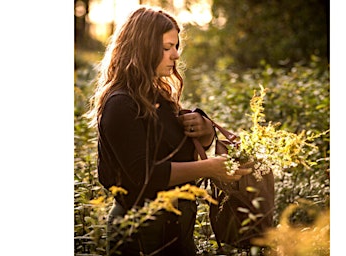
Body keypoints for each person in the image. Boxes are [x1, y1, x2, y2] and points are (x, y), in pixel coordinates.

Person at [85, 6, 252, 256]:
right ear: (141, 48)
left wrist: (204, 130)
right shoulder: (120, 103)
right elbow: (144, 175)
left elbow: (175, 149)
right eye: (166, 48)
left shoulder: (157, 95)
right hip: (140, 232)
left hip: (177, 228)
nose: (175, 55)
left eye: (176, 46)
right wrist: (211, 167)